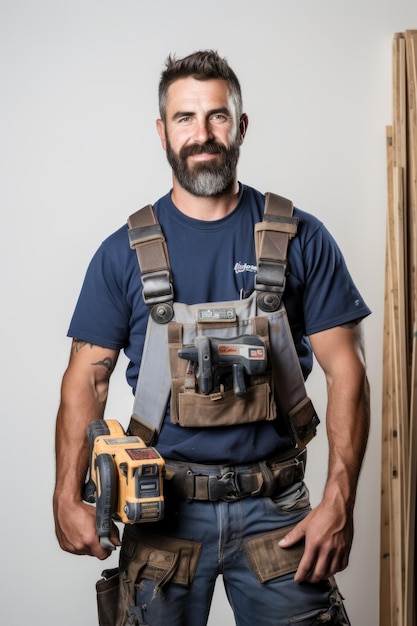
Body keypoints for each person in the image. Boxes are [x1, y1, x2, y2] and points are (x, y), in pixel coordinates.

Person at [53, 50, 371, 626]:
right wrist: (65, 493)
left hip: (278, 510)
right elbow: (87, 377)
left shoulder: (301, 238)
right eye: (184, 118)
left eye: (217, 116)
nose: (202, 134)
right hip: (160, 511)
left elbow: (347, 370)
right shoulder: (122, 253)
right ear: (162, 131)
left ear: (241, 125)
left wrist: (339, 500)